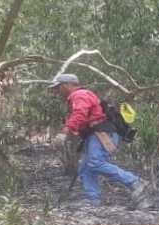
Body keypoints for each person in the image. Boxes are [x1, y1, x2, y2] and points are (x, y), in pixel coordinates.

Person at [52, 73, 147, 207]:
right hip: (95, 135)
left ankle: (135, 182)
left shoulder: (79, 95)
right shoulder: (81, 95)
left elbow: (80, 114)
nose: (57, 91)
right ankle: (93, 200)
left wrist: (64, 132)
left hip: (102, 134)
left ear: (67, 85)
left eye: (58, 87)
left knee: (95, 163)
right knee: (86, 168)